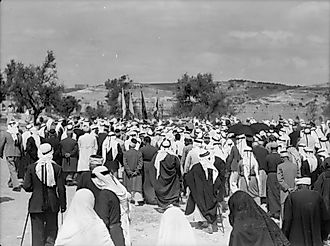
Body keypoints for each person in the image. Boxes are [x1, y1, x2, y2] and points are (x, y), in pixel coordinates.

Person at [23, 143, 67, 246]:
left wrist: (36, 188)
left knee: (37, 231)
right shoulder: (57, 168)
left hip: (36, 203)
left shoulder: (32, 167)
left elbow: (26, 186)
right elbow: (61, 189)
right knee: (51, 230)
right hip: (52, 203)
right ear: (51, 152)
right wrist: (63, 205)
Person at [282, 177, 330, 246]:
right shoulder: (317, 196)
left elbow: (287, 220)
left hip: (295, 241)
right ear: (309, 186)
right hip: (316, 240)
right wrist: (323, 236)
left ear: (298, 186)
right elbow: (325, 219)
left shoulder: (291, 197)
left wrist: (284, 238)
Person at [185, 151, 223, 234]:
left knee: (203, 206)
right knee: (212, 206)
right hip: (211, 192)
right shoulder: (213, 168)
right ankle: (213, 224)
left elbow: (188, 177)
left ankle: (209, 226)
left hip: (200, 192)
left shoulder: (196, 167)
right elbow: (218, 181)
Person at [92, 166, 130, 246]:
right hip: (121, 227)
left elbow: (103, 218)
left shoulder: (105, 194)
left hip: (111, 232)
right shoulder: (120, 189)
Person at [151, 139, 181, 210]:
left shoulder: (158, 156)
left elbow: (153, 166)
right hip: (172, 178)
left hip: (161, 178)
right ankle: (170, 204)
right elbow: (178, 167)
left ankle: (163, 205)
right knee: (171, 191)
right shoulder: (174, 156)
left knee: (162, 191)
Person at [0, 120, 23, 191]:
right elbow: (21, 145)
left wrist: (0, 152)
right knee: (14, 169)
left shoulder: (6, 134)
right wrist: (21, 153)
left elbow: (1, 144)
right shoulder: (19, 134)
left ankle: (16, 185)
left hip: (9, 153)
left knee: (12, 169)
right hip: (17, 153)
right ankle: (11, 182)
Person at [276, 151, 299, 220]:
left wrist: (287, 188)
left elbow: (280, 179)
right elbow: (298, 177)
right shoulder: (295, 166)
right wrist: (294, 187)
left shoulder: (280, 166)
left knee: (283, 205)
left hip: (284, 190)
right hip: (294, 189)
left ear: (282, 158)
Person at [122, 138, 144, 205]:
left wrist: (129, 171)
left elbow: (125, 163)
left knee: (129, 186)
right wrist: (136, 171)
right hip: (137, 174)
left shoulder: (126, 153)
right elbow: (140, 163)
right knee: (136, 187)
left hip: (128, 174)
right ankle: (136, 201)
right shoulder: (139, 153)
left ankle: (128, 199)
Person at [265, 143, 282, 220]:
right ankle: (278, 209)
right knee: (277, 192)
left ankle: (272, 210)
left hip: (271, 174)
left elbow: (266, 167)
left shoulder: (268, 157)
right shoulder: (280, 157)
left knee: (271, 192)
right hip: (278, 174)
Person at [139, 136, 158, 205]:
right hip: (152, 165)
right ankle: (152, 197)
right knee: (151, 181)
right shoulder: (155, 149)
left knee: (145, 181)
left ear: (145, 141)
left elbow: (140, 158)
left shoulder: (142, 149)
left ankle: (146, 197)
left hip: (144, 165)